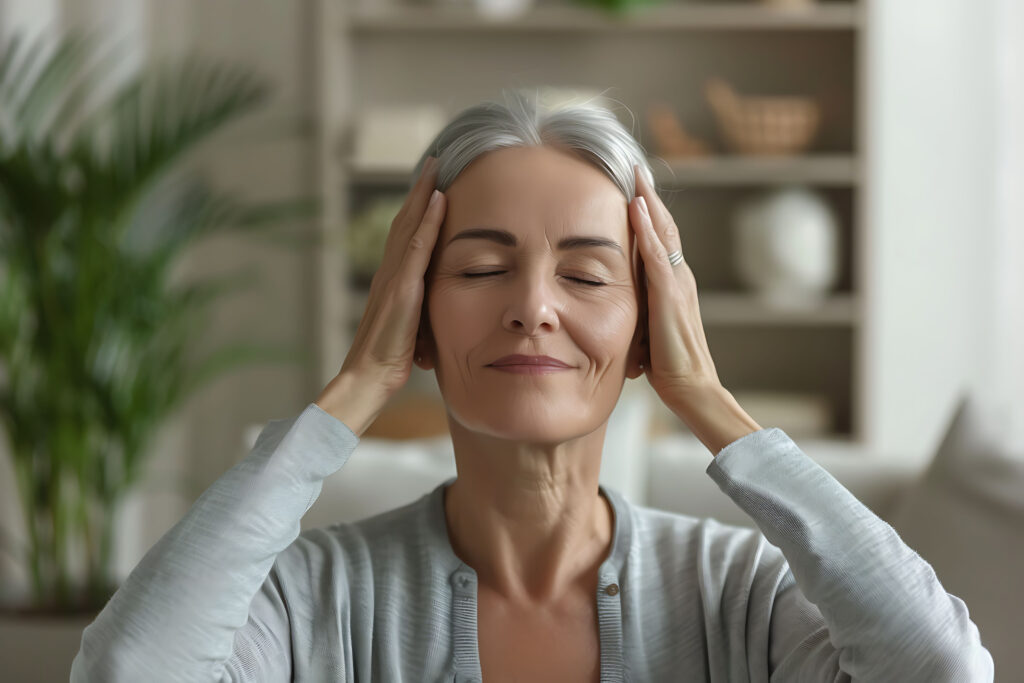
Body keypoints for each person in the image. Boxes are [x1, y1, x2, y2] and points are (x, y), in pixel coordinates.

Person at [70, 90, 994, 682]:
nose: (533, 308)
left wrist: (708, 397)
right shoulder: (316, 599)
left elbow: (942, 669)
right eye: (479, 269)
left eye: (588, 275)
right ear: (416, 316)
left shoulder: (742, 595)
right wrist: (356, 386)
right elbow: (129, 669)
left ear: (649, 329)